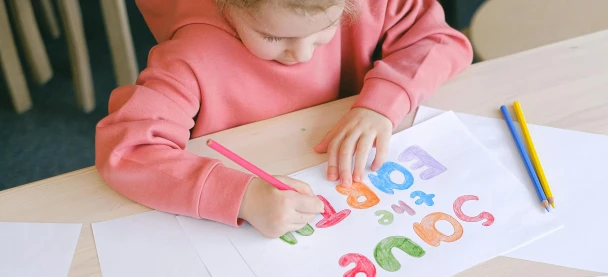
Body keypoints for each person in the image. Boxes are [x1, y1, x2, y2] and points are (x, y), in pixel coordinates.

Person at [95, 0, 472, 238]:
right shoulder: (195, 53)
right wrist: (239, 197)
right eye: (273, 37)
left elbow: (439, 41)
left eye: (324, 30)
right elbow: (127, 150)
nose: (302, 54)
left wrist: (381, 103)